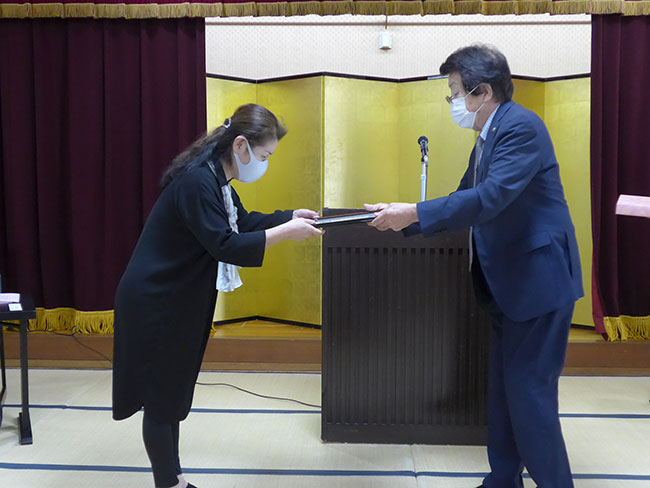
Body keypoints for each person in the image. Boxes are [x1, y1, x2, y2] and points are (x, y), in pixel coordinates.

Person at [365, 44, 583, 488]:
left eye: (455, 92)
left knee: (530, 396)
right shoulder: (487, 136)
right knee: (504, 392)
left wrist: (414, 212)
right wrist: (402, 216)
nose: (452, 102)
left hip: (537, 282)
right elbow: (462, 198)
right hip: (509, 283)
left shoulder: (521, 127)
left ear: (483, 92)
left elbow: (489, 198)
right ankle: (503, 480)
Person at [112, 103, 323, 488]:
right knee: (161, 398)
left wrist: (289, 216)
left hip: (177, 299)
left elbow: (242, 223)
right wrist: (285, 233)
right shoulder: (197, 182)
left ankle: (173, 479)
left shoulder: (216, 179)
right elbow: (225, 244)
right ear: (240, 146)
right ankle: (169, 483)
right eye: (264, 156)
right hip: (156, 301)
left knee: (172, 394)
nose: (265, 164)